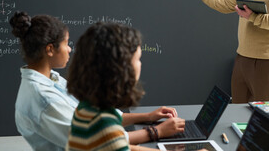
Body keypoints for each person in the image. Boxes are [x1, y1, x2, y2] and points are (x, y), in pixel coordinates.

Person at [10, 12, 184, 151]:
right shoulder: (43, 99)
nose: (70, 49)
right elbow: (105, 140)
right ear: (50, 49)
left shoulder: (53, 80)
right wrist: (156, 132)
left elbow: (111, 133)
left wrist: (148, 117)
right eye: (66, 43)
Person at [66, 22, 185, 151]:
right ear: (121, 69)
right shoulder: (105, 127)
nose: (140, 64)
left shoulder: (88, 108)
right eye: (138, 59)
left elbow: (123, 146)